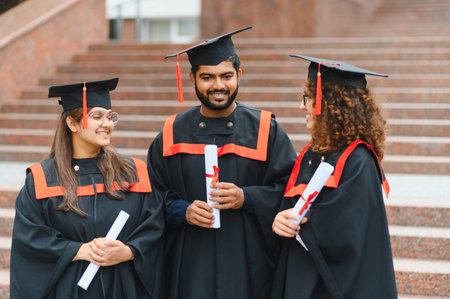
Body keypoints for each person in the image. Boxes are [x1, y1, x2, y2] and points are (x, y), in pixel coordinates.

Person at [147, 26, 297, 299]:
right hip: (191, 264)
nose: (218, 85)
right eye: (207, 77)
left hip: (249, 264)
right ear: (192, 78)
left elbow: (290, 190)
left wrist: (247, 197)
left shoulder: (265, 130)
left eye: (226, 76)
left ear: (239, 75)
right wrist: (183, 211)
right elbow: (151, 198)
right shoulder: (171, 134)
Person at [10, 78, 165, 299]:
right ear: (72, 123)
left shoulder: (133, 173)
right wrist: (78, 250)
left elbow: (155, 226)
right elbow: (30, 239)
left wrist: (129, 251)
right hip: (69, 289)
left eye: (110, 116)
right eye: (97, 116)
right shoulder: (43, 179)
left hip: (122, 287)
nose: (107, 124)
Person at [271, 55, 398, 299]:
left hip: (336, 285)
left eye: (307, 99)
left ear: (329, 103)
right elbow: (289, 205)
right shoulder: (312, 152)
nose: (302, 107)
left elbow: (344, 229)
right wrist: (279, 219)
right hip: (302, 275)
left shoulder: (358, 159)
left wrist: (297, 224)